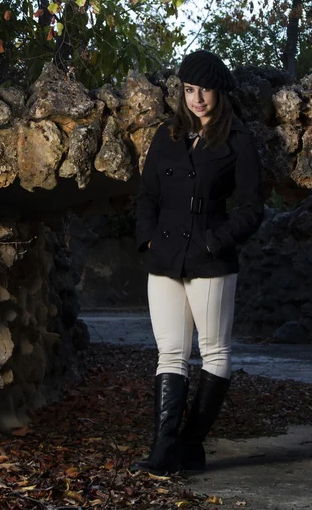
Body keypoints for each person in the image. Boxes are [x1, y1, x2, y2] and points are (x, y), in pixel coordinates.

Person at [133, 50, 264, 475]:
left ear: (219, 92)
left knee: (214, 352)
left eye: (204, 89)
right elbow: (147, 195)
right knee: (170, 352)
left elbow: (250, 207)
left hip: (211, 259)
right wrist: (149, 240)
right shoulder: (166, 137)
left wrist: (215, 242)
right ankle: (163, 449)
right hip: (166, 256)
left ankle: (191, 445)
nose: (197, 99)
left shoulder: (238, 140)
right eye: (189, 90)